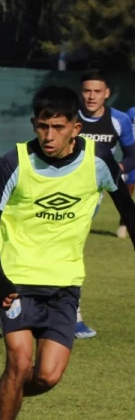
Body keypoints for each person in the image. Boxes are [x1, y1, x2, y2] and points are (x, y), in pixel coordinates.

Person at [0, 86, 135, 420]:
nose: (48, 135)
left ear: (75, 128)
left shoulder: (98, 161)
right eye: (41, 126)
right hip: (18, 282)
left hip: (65, 285)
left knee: (47, 376)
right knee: (20, 361)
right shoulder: (16, 161)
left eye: (57, 127)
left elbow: (128, 211)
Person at [73, 70, 135, 338]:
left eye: (97, 91)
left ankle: (71, 315)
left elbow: (133, 157)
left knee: (70, 248)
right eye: (87, 90)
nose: (91, 96)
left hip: (91, 196)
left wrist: (115, 167)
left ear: (107, 93)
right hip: (57, 189)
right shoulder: (70, 116)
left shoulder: (119, 120)